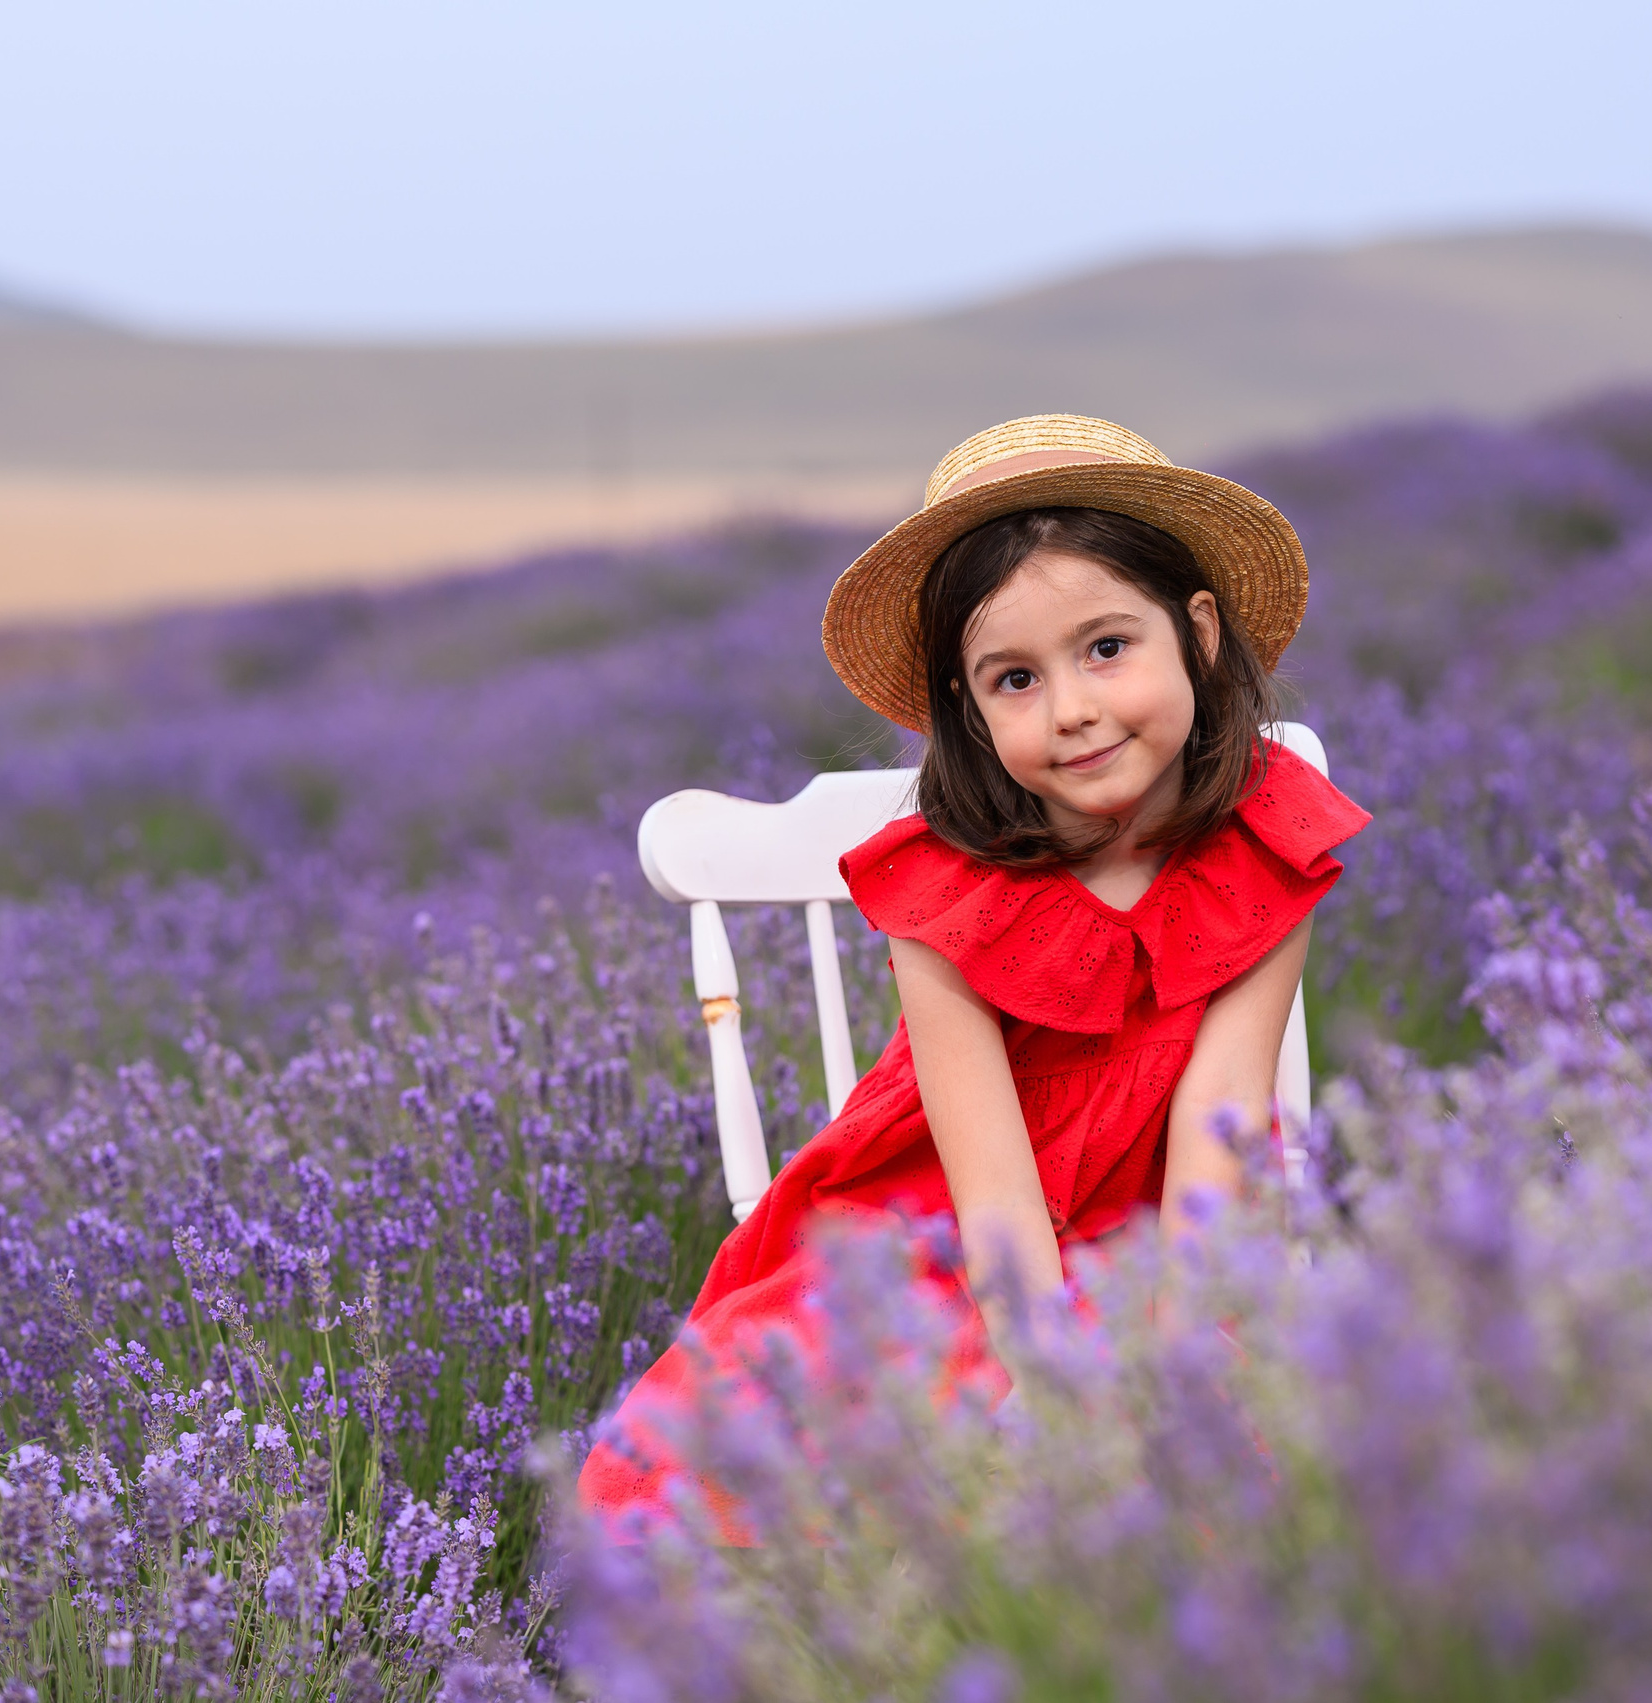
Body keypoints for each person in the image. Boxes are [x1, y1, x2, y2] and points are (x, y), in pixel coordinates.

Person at [578, 414, 1370, 1528]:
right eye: (1013, 678)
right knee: (729, 1438)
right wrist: (1048, 1376)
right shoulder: (941, 889)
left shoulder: (1265, 840)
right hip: (939, 1232)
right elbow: (989, 1186)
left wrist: (1177, 1341)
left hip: (1155, 1232)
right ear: (964, 704)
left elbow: (1222, 1118)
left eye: (1106, 647)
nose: (1072, 708)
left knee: (1228, 1430)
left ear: (1196, 633)